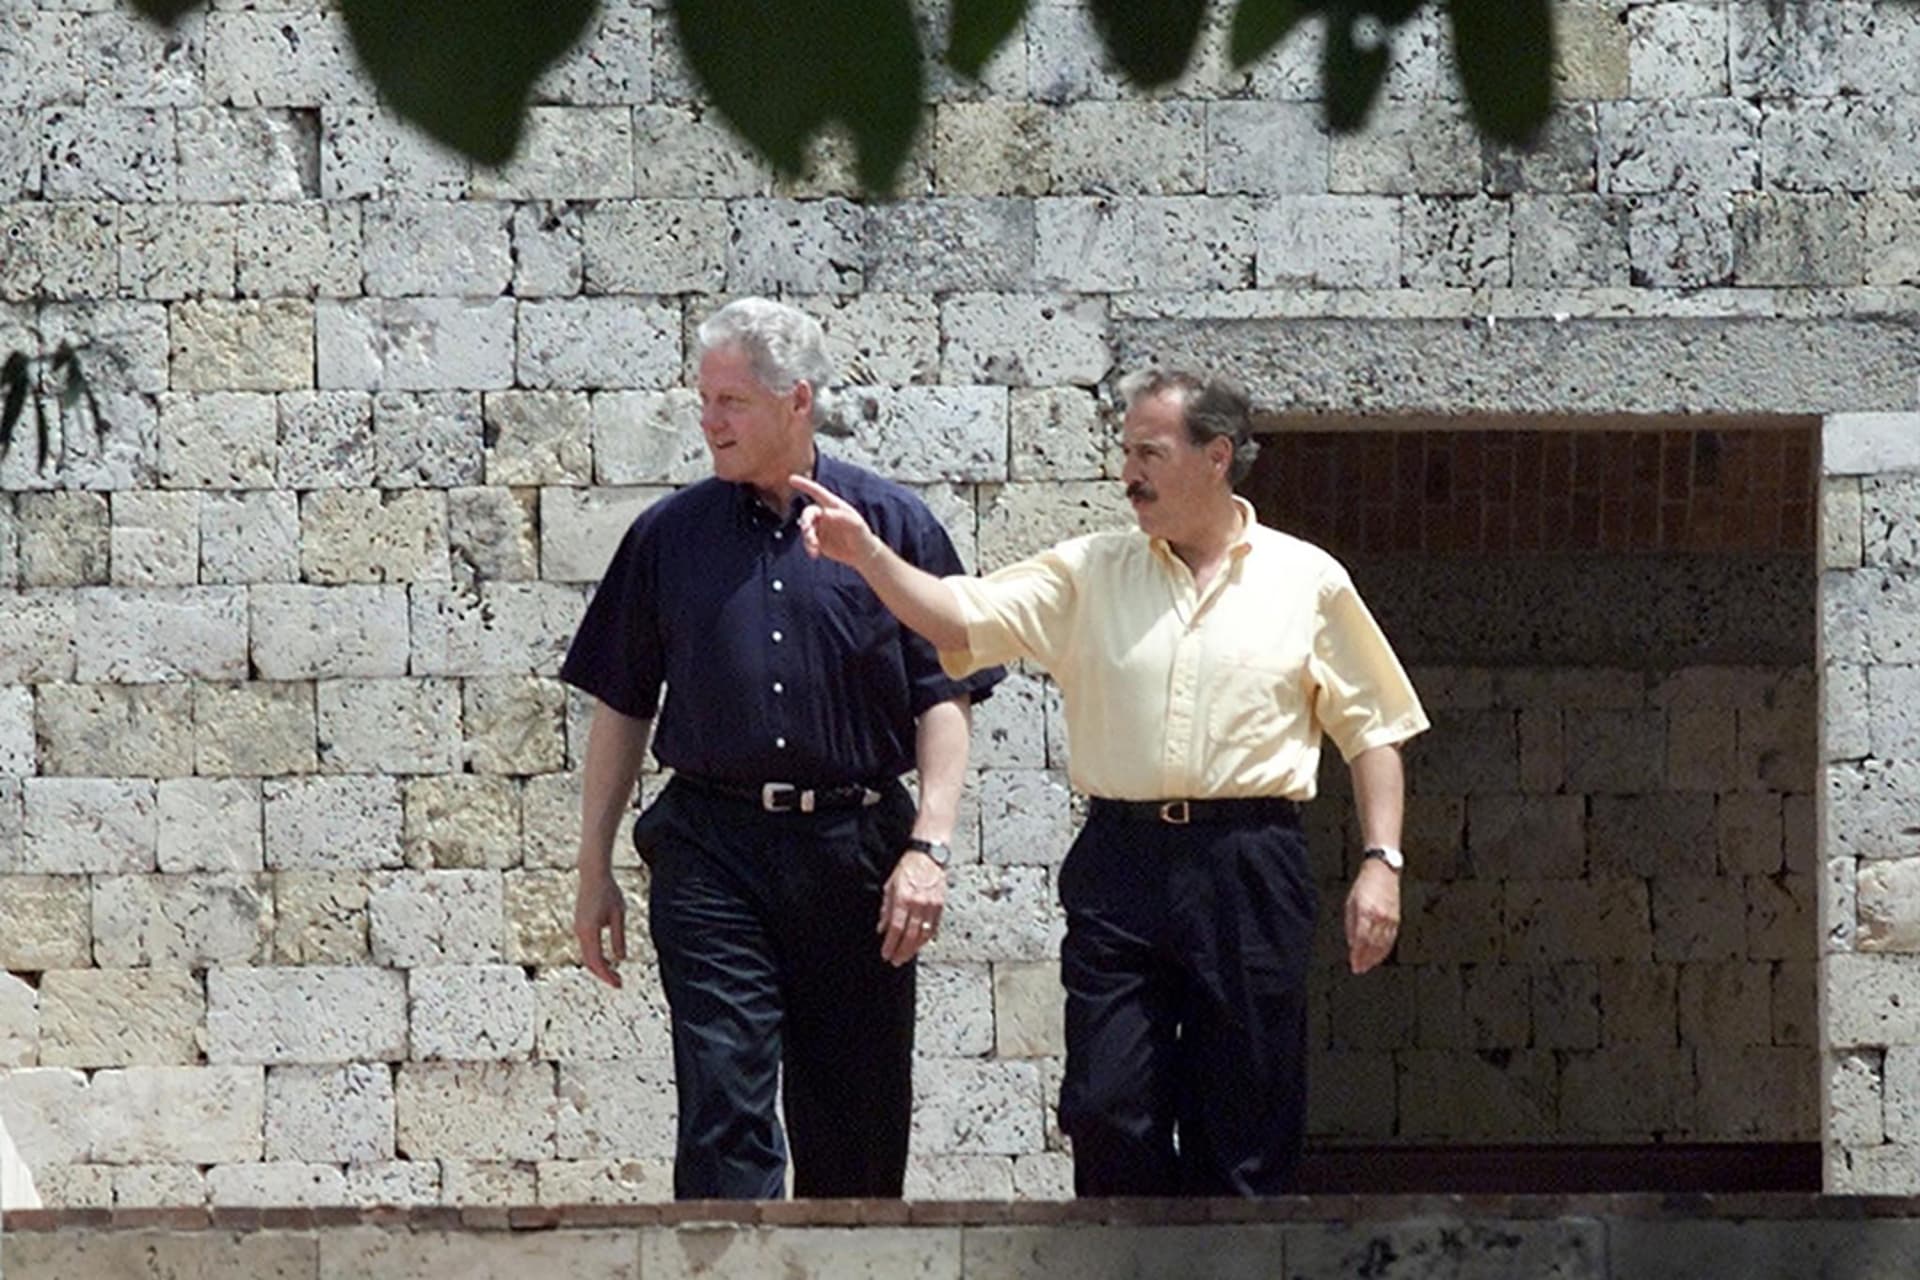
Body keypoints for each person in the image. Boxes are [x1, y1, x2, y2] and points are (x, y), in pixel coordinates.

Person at [789, 369, 1427, 1197]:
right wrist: (867, 554)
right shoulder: (1088, 572)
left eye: (1150, 453)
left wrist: (1383, 860)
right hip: (1122, 861)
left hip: (1251, 865)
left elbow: (1373, 727)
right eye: (1124, 451)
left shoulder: (1307, 580)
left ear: (1217, 456)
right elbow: (958, 617)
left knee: (1245, 1115)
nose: (1129, 472)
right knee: (1104, 1105)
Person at [563, 297, 1004, 1200]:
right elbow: (622, 703)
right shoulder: (666, 537)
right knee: (723, 1108)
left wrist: (930, 846)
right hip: (712, 851)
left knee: (857, 1123)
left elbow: (945, 696)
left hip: (857, 856)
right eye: (704, 399)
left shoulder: (893, 527)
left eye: (730, 402)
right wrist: (592, 867)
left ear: (795, 401)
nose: (708, 421)